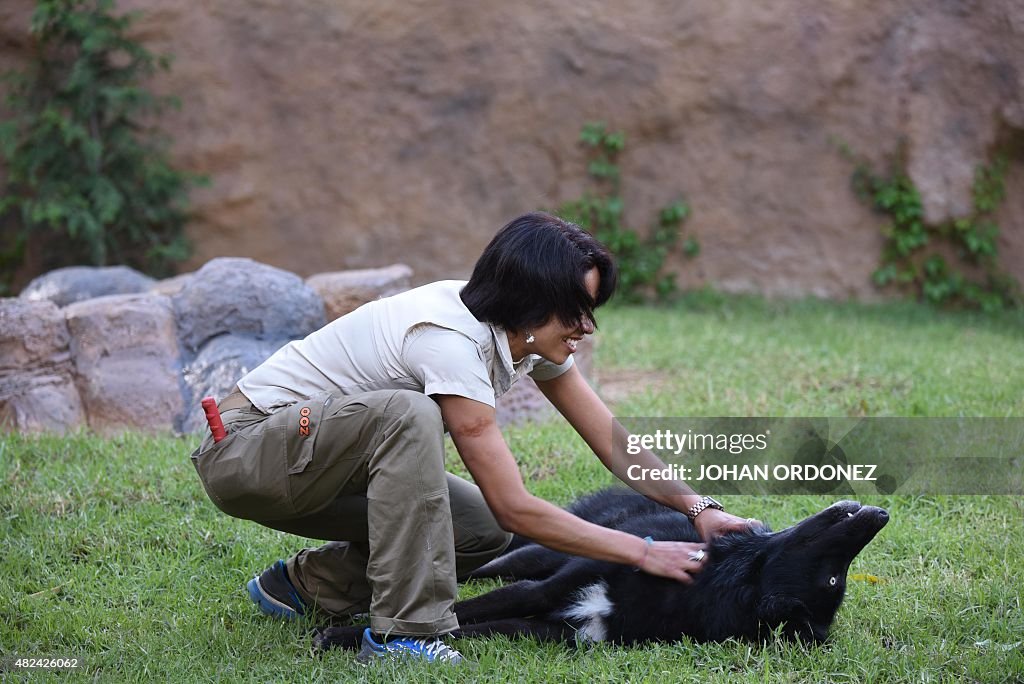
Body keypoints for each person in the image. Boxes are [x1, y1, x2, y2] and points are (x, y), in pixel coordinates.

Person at [190, 211, 754, 665]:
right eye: (576, 310)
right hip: (248, 456)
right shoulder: (447, 340)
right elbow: (518, 508)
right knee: (408, 416)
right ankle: (401, 639)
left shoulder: (524, 338)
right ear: (529, 303)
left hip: (317, 466)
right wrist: (646, 552)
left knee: (478, 530)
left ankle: (303, 587)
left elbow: (612, 441)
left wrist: (697, 506)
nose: (587, 326)